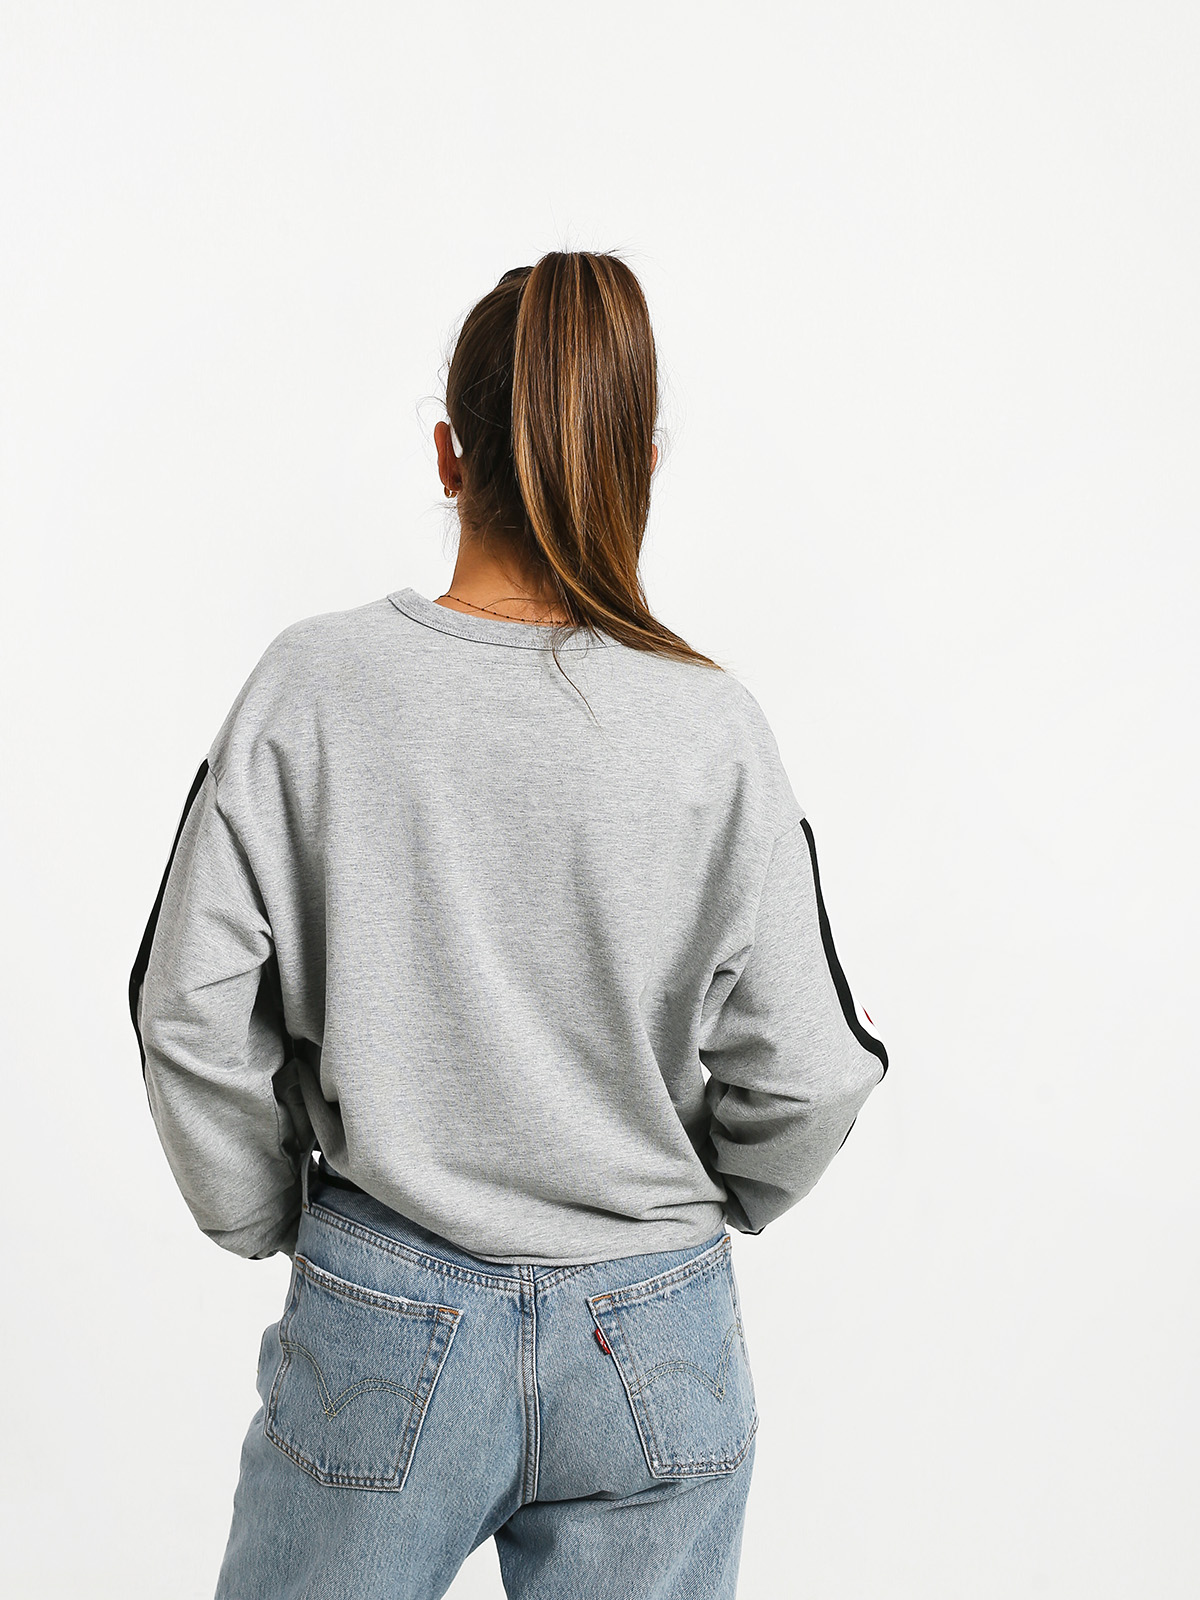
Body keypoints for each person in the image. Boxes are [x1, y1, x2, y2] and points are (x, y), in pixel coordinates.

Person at [128, 250, 889, 1600]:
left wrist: (264, 1213)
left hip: (384, 1304)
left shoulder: (313, 686)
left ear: (448, 454)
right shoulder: (714, 728)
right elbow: (814, 1072)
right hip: (652, 1331)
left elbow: (186, 1008)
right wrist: (704, 1198)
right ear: (637, 467)